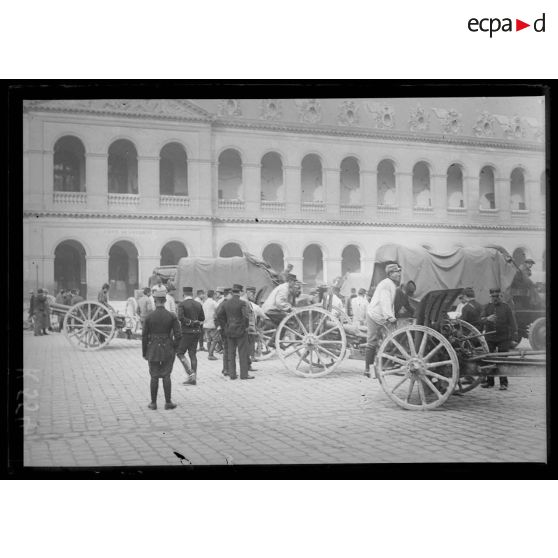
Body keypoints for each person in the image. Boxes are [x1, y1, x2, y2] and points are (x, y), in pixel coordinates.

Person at [142, 285, 181, 410]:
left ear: (155, 301)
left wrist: (145, 352)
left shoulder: (149, 317)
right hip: (167, 348)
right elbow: (178, 335)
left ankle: (153, 403)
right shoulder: (172, 316)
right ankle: (168, 402)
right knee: (166, 375)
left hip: (153, 348)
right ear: (165, 301)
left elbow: (144, 336)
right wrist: (174, 347)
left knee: (154, 375)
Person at [364, 263, 401, 377]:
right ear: (390, 274)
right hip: (375, 315)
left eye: (399, 271)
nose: (399, 274)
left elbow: (389, 304)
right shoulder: (386, 285)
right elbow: (385, 302)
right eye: (396, 272)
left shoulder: (391, 284)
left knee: (383, 342)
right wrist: (390, 317)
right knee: (372, 342)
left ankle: (378, 367)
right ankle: (367, 370)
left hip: (381, 316)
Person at [480, 288, 517, 390]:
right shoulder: (487, 307)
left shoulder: (506, 307)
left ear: (501, 296)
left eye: (497, 296)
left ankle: (503, 383)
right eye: (493, 296)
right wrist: (487, 319)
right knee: (489, 360)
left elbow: (513, 323)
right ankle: (490, 382)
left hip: (504, 338)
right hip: (490, 338)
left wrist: (514, 338)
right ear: (490, 297)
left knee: (503, 360)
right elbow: (481, 319)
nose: (495, 298)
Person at [216, 284, 252, 380]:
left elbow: (219, 315)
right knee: (242, 352)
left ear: (232, 293)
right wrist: (245, 326)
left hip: (229, 330)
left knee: (231, 353)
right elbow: (246, 316)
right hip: (240, 330)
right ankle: (244, 374)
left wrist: (225, 325)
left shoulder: (226, 303)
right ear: (239, 293)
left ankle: (232, 374)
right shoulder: (242, 303)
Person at [176, 286, 205, 386]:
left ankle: (190, 374)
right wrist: (195, 322)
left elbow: (180, 318)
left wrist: (189, 322)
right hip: (197, 332)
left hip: (186, 332)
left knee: (180, 352)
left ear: (183, 295)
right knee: (193, 354)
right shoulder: (198, 304)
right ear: (192, 294)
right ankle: (194, 378)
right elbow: (202, 318)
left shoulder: (182, 304)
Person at [243, 286, 266, 371]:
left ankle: (248, 365)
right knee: (248, 347)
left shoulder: (249, 303)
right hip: (248, 329)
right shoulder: (252, 305)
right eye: (252, 293)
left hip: (248, 329)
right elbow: (264, 316)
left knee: (247, 348)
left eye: (254, 293)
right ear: (248, 293)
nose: (254, 295)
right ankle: (246, 367)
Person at [202, 289, 219, 361]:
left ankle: (209, 353)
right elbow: (219, 309)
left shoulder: (204, 302)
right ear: (213, 295)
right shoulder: (213, 302)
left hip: (205, 323)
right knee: (215, 339)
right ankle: (210, 354)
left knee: (208, 339)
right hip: (212, 323)